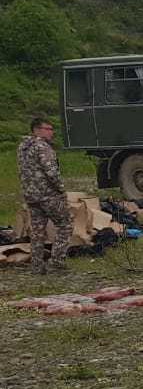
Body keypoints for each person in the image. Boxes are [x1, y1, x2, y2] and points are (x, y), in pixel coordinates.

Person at [17, 117, 71, 275]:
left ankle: (36, 265)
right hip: (48, 195)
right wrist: (62, 189)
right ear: (37, 130)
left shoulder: (23, 146)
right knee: (65, 224)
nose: (51, 132)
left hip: (31, 196)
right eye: (48, 129)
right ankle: (57, 262)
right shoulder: (42, 147)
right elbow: (51, 172)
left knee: (37, 231)